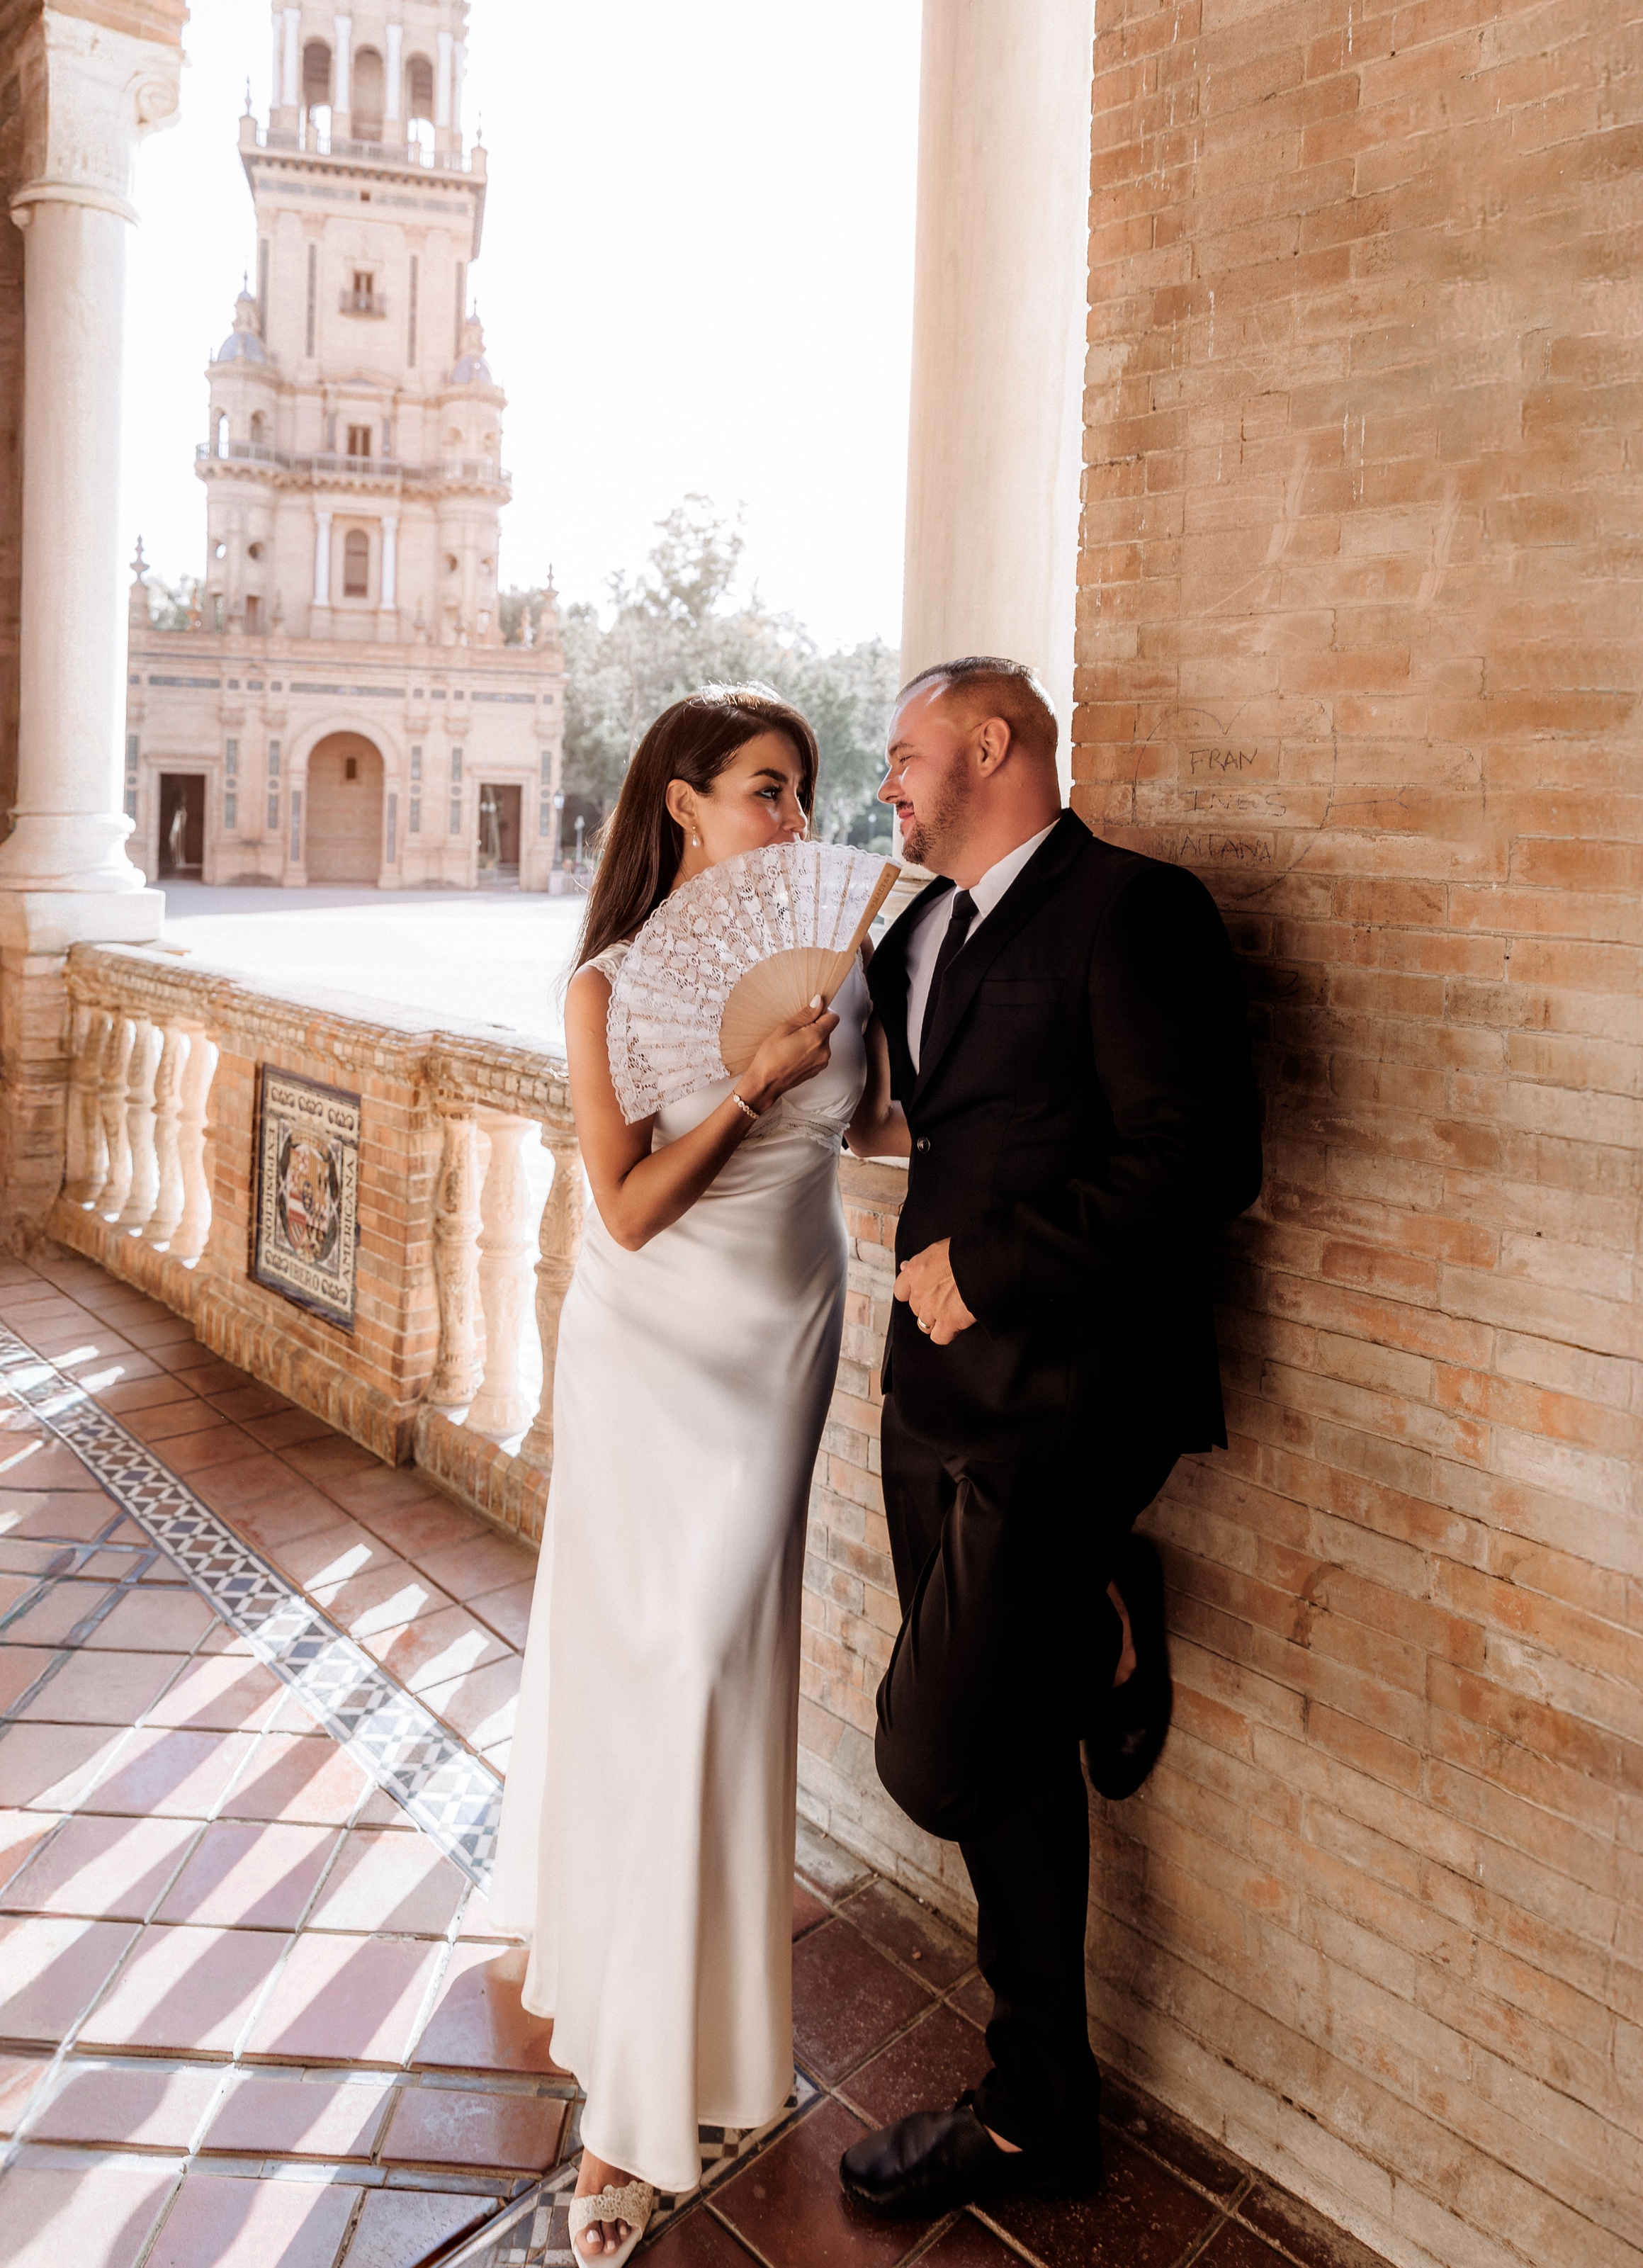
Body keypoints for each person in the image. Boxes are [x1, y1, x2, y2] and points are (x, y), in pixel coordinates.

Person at [839, 656, 1262, 2218]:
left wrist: (999, 1263)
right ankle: (1036, 2113)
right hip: (925, 1398)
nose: (886, 779)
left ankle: (1097, 1615)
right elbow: (905, 1112)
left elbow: (1203, 1153)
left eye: (905, 752)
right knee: (1005, 1761)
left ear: (992, 744)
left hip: (1070, 1399)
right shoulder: (907, 933)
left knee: (933, 1748)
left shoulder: (1130, 908)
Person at [489, 686, 903, 2262]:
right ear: (680, 801)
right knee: (642, 1659)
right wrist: (747, 1074)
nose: (791, 823)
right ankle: (628, 2115)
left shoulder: (839, 956)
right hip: (646, 1341)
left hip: (777, 1339)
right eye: (761, 792)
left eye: (801, 795)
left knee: (716, 1660)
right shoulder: (608, 986)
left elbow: (870, 1125)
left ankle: (690, 2027)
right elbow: (627, 1207)